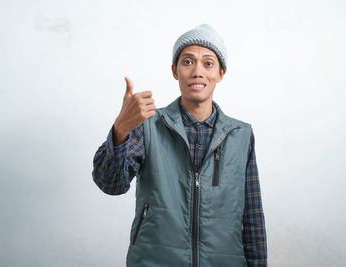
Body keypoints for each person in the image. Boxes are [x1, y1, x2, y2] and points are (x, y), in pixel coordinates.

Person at [92, 24, 267, 267]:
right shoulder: (148, 126)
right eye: (187, 62)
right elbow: (110, 184)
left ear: (221, 73)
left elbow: (253, 217)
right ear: (175, 71)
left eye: (208, 63)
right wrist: (121, 129)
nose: (197, 72)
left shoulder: (241, 134)